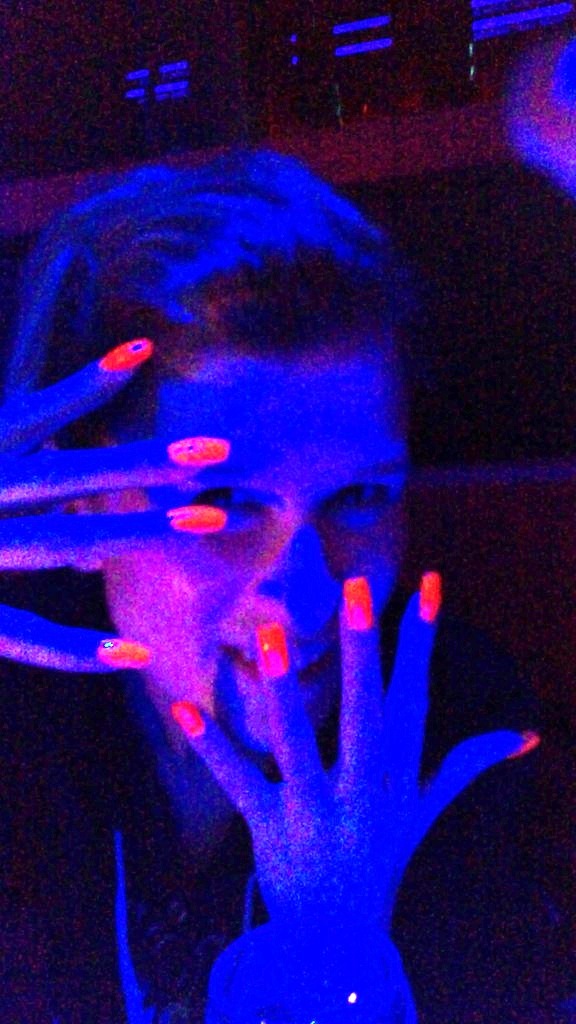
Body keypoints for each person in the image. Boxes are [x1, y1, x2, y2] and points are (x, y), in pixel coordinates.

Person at [0, 148, 561, 1023]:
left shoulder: (460, 733)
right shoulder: (20, 717)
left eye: (360, 498)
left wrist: (337, 963)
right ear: (82, 500)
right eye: (221, 503)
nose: (305, 601)